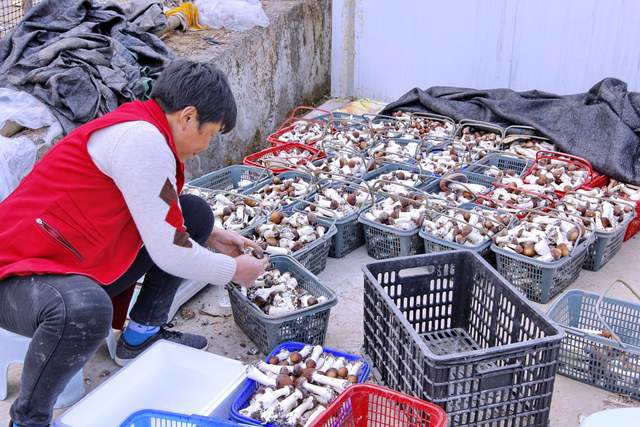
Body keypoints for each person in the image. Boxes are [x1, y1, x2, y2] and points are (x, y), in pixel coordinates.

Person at [0, 60, 268, 427]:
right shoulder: (141, 140)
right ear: (188, 117)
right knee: (84, 309)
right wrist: (233, 272)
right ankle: (28, 420)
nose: (206, 146)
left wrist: (212, 236)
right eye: (211, 133)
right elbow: (170, 249)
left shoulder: (147, 129)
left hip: (69, 256)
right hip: (17, 274)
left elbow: (167, 217)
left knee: (195, 216)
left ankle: (140, 336)